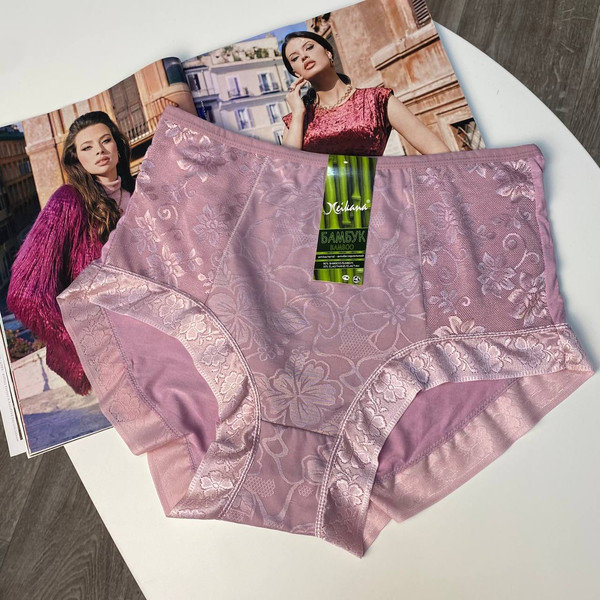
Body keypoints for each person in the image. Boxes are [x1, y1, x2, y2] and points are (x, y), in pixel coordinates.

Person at [7, 111, 135, 395]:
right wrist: (84, 349)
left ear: (118, 145)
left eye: (106, 140)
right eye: (87, 147)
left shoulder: (139, 196)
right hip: (112, 358)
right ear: (77, 159)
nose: (99, 150)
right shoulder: (68, 201)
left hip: (153, 338)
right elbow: (25, 292)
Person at [281, 31, 450, 156]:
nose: (303, 56)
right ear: (296, 73)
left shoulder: (377, 99)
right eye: (295, 58)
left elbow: (438, 152)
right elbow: (288, 171)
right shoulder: (295, 120)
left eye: (309, 47)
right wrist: (298, 113)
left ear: (328, 52)